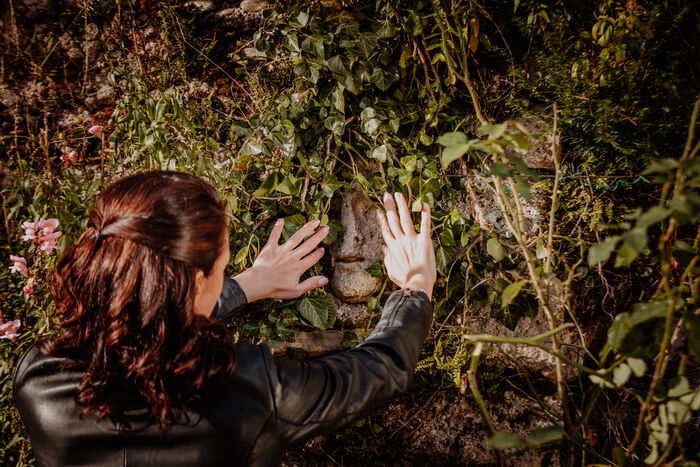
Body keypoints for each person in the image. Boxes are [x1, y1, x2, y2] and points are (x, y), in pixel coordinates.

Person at [13, 170, 437, 466]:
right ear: (195, 285)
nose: (228, 272)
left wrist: (246, 284)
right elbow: (381, 370)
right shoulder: (249, 392)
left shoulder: (38, 378)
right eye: (224, 267)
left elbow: (144, 319)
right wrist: (415, 285)